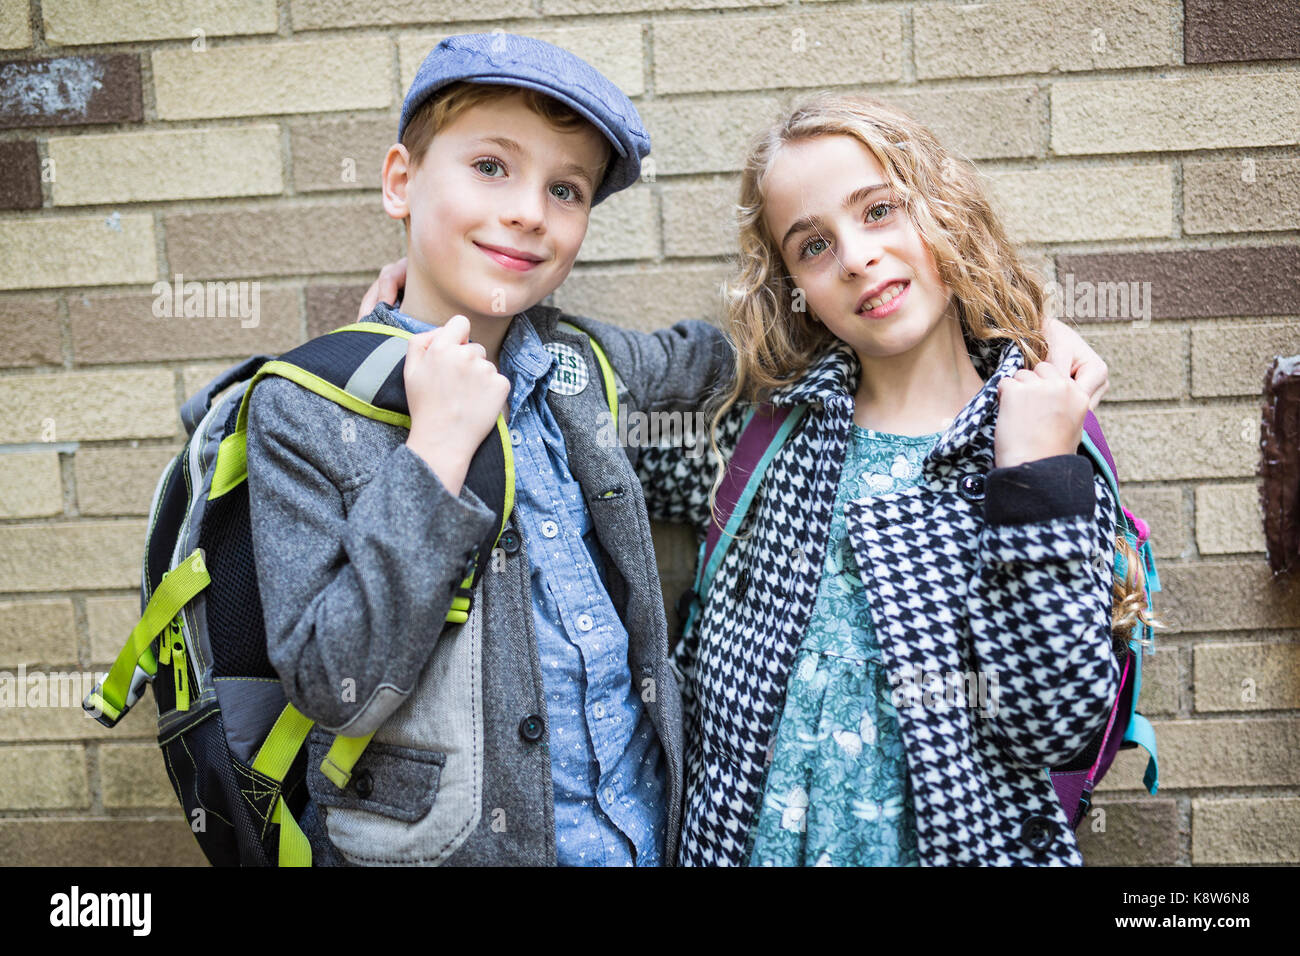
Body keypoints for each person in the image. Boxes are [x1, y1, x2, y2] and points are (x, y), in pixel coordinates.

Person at [245, 33, 733, 866]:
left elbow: (713, 359)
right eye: (492, 167)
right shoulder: (307, 409)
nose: (530, 212)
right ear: (402, 182)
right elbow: (334, 686)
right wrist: (434, 454)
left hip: (640, 837)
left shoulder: (581, 365)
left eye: (566, 189)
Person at [630, 91, 1142, 866]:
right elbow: (593, 417)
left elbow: (1054, 724)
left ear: (943, 211)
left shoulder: (1038, 439)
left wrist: (1035, 477)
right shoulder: (765, 438)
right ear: (792, 287)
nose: (857, 257)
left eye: (879, 211)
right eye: (813, 246)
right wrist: (452, 301)